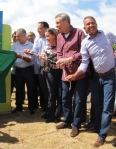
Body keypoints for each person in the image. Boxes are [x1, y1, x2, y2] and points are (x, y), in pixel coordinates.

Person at [66, 16, 116, 147]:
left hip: (110, 76)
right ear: (85, 28)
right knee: (97, 105)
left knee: (107, 107)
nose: (91, 25)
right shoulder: (85, 42)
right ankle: (98, 126)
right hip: (97, 78)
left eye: (92, 23)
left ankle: (102, 136)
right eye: (88, 24)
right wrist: (74, 75)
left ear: (96, 24)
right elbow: (84, 63)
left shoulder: (107, 34)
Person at [55, 13, 88, 138]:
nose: (56, 25)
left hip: (79, 72)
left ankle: (76, 125)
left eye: (58, 22)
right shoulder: (59, 36)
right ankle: (67, 121)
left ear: (66, 22)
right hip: (65, 73)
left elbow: (84, 52)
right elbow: (59, 52)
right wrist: (60, 62)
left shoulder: (79, 33)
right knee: (65, 98)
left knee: (79, 100)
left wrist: (69, 59)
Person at [38, 28, 62, 123]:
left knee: (60, 95)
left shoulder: (61, 47)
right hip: (51, 72)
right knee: (51, 94)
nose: (46, 38)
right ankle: (50, 115)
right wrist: (43, 59)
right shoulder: (46, 48)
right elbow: (46, 63)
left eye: (48, 36)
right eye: (46, 36)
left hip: (61, 72)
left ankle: (57, 116)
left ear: (54, 36)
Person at [11, 28, 36, 114]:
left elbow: (30, 60)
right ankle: (18, 107)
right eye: (16, 36)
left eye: (18, 36)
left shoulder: (31, 45)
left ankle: (31, 107)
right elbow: (11, 56)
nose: (16, 38)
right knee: (19, 89)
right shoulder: (15, 45)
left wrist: (20, 56)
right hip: (18, 70)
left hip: (28, 70)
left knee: (31, 89)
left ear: (24, 36)